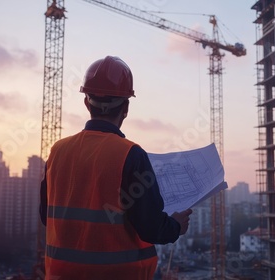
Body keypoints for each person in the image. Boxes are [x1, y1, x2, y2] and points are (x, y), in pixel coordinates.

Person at [39, 56, 192, 280]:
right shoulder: (131, 155)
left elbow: (47, 216)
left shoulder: (57, 151)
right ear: (126, 107)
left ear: (86, 103)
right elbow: (150, 227)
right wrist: (176, 226)